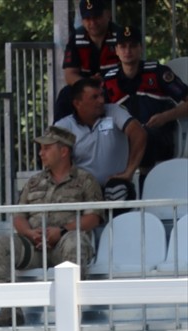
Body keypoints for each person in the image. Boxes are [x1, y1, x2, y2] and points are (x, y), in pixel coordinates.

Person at [0, 125, 104, 327]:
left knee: (76, 242)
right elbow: (19, 216)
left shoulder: (85, 180)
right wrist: (30, 233)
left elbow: (94, 218)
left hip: (64, 245)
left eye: (47, 148)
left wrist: (62, 231)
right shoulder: (34, 182)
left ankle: (69, 314)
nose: (41, 153)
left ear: (63, 151)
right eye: (41, 148)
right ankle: (9, 310)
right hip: (34, 246)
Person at [102, 24, 188, 170]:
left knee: (144, 135)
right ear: (116, 50)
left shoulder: (158, 73)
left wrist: (165, 117)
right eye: (123, 46)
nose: (127, 51)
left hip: (159, 140)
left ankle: (141, 179)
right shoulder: (109, 80)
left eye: (133, 46)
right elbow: (96, 111)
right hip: (122, 141)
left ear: (141, 48)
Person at [55, 77, 146, 200]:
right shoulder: (64, 125)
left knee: (117, 191)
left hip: (117, 185)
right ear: (77, 103)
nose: (102, 100)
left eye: (102, 95)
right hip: (83, 188)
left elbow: (138, 133)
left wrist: (129, 172)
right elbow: (51, 155)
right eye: (95, 97)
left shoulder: (114, 111)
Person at [54, 0, 121, 121]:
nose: (92, 22)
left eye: (97, 17)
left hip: (116, 85)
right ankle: (59, 131)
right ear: (82, 20)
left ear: (107, 14)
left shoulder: (120, 36)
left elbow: (130, 69)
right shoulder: (76, 37)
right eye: (88, 18)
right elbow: (70, 75)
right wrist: (88, 83)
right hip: (85, 87)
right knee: (66, 94)